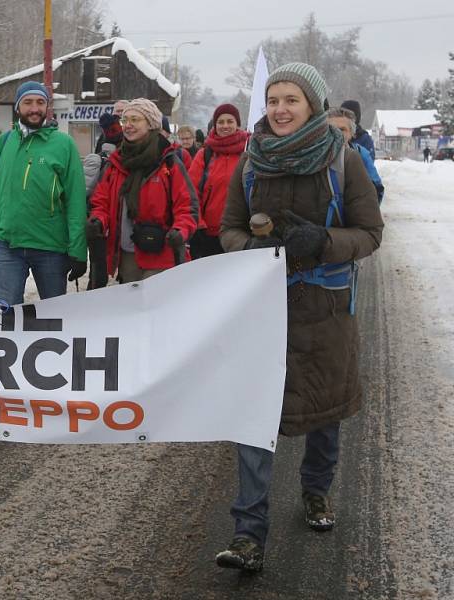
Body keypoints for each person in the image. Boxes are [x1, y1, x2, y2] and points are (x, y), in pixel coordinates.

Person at [217, 63, 383, 572]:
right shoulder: (251, 162)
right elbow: (228, 229)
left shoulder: (344, 160)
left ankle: (316, 491)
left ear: (313, 104)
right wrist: (256, 247)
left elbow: (370, 233)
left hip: (325, 308)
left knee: (324, 409)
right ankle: (248, 534)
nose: (280, 109)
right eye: (273, 100)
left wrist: (324, 242)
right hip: (265, 307)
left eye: (291, 99)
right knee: (255, 415)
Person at [0, 81, 87, 306]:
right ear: (18, 107)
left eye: (40, 102)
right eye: (27, 102)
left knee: (54, 316)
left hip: (50, 248)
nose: (34, 108)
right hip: (8, 246)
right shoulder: (4, 142)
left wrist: (78, 251)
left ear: (47, 107)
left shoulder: (64, 145)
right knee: (5, 315)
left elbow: (76, 202)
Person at [87, 98, 199, 284]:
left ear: (151, 124)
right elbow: (101, 201)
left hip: (161, 254)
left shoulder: (168, 161)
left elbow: (187, 206)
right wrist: (98, 220)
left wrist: (180, 230)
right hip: (126, 255)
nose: (128, 125)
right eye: (125, 120)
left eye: (135, 120)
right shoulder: (116, 162)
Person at [187, 103, 248, 259]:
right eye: (221, 122)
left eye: (230, 121)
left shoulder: (248, 152)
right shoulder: (204, 154)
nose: (225, 125)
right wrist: (198, 225)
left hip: (242, 234)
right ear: (214, 125)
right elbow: (190, 193)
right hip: (208, 234)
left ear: (238, 124)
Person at [328, 106, 385, 204]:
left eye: (342, 129)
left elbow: (376, 189)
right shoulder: (314, 155)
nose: (336, 133)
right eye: (331, 129)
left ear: (352, 133)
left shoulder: (361, 154)